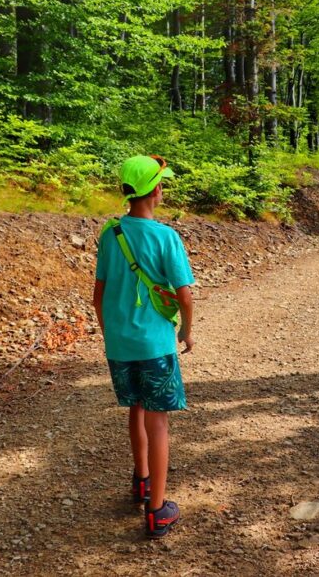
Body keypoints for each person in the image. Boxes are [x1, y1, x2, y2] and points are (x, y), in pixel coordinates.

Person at [93, 155, 195, 539]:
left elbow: (98, 295)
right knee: (159, 421)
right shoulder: (166, 237)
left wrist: (112, 333)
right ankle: (158, 510)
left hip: (120, 343)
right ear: (155, 190)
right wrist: (187, 331)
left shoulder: (111, 233)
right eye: (162, 182)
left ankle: (141, 481)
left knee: (135, 407)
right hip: (154, 343)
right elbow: (184, 295)